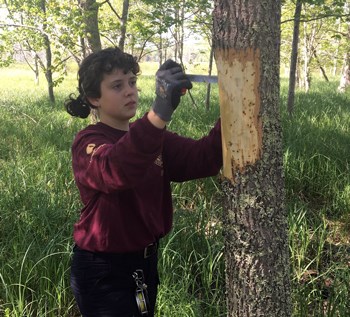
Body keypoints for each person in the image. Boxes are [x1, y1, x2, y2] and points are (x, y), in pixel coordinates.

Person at [65, 47, 222, 317]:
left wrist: (236, 108)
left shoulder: (153, 137)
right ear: (94, 98)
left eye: (132, 82)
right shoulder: (88, 143)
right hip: (103, 270)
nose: (130, 91)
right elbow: (117, 167)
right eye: (117, 85)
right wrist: (159, 112)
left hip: (144, 265)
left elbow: (204, 158)